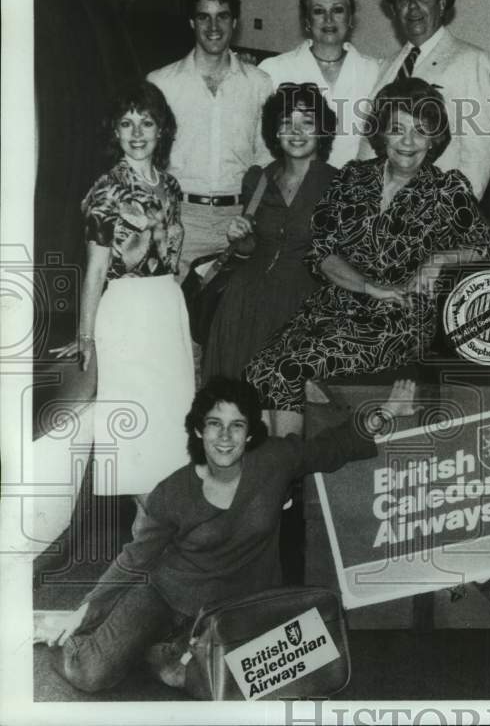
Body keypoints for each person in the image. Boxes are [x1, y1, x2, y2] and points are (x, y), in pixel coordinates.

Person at [36, 376, 417, 693]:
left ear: (249, 433)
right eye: (215, 424)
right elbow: (134, 559)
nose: (225, 436)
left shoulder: (273, 460)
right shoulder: (173, 491)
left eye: (237, 425)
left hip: (234, 605)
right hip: (164, 595)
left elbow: (332, 448)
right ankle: (75, 632)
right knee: (90, 673)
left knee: (223, 684)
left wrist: (385, 412)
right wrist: (86, 609)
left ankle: (162, 654)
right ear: (199, 430)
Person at [245, 77, 490, 436]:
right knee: (259, 370)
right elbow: (322, 252)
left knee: (289, 368)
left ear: (434, 138)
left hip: (398, 317)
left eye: (420, 131)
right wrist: (368, 286)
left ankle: (288, 463)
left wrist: (438, 260)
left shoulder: (447, 189)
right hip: (335, 305)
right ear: (381, 134)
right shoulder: (353, 177)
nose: (408, 142)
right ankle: (285, 460)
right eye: (397, 129)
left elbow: (486, 246)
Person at [50, 81, 194, 497]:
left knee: (172, 422)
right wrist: (86, 335)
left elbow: (171, 259)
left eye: (146, 122)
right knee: (138, 428)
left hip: (167, 309)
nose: (137, 133)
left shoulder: (171, 187)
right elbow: (95, 271)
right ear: (114, 131)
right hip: (127, 312)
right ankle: (146, 522)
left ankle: (159, 524)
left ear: (162, 129)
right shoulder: (107, 188)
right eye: (126, 123)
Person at [201, 83, 338, 380]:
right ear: (275, 132)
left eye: (307, 122)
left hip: (301, 307)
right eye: (286, 122)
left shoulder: (339, 184)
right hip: (244, 303)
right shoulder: (260, 179)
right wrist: (240, 236)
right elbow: (250, 248)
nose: (296, 131)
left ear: (322, 131)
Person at [147, 0, 273, 281]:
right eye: (204, 16)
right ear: (192, 22)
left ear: (235, 22)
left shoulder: (259, 83)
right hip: (180, 218)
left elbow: (267, 159)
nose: (213, 26)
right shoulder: (161, 84)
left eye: (222, 16)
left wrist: (251, 217)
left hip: (239, 221)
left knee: (233, 310)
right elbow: (147, 161)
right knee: (172, 308)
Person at [361, 0, 490, 199]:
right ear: (394, 10)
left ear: (441, 5)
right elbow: (369, 143)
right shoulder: (386, 66)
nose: (412, 6)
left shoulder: (470, 60)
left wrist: (453, 212)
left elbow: (480, 154)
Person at [258, 0, 380, 169]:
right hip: (294, 185)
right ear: (307, 21)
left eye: (337, 10)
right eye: (318, 11)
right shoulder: (273, 70)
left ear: (350, 18)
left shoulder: (374, 71)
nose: (328, 19)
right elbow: (262, 146)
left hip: (354, 185)